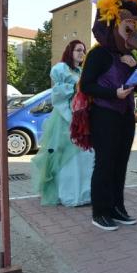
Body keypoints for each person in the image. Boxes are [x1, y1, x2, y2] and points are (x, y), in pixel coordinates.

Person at [79, 0, 137, 231]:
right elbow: (87, 85)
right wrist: (113, 93)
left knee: (121, 163)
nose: (134, 34)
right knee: (105, 163)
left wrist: (134, 66)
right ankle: (100, 212)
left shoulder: (129, 55)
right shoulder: (98, 54)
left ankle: (117, 208)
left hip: (126, 116)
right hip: (104, 114)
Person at [31, 40, 93, 207]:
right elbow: (58, 96)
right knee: (66, 156)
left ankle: (84, 193)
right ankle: (69, 194)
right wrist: (72, 118)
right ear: (70, 51)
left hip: (81, 119)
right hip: (65, 120)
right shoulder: (60, 69)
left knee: (83, 156)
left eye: (83, 51)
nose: (81, 53)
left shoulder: (81, 71)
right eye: (78, 50)